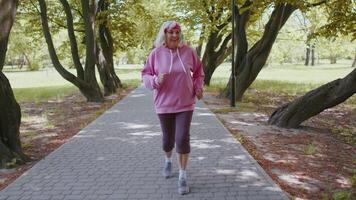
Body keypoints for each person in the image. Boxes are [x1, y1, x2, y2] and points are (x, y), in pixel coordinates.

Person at [141, 21, 204, 195]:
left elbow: (199, 72)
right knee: (168, 139)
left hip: (186, 103)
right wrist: (155, 80)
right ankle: (168, 161)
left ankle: (183, 175)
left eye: (177, 32)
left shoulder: (189, 52)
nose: (175, 35)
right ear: (165, 34)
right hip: (164, 104)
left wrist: (198, 87)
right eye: (171, 32)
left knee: (182, 138)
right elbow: (145, 74)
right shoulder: (156, 54)